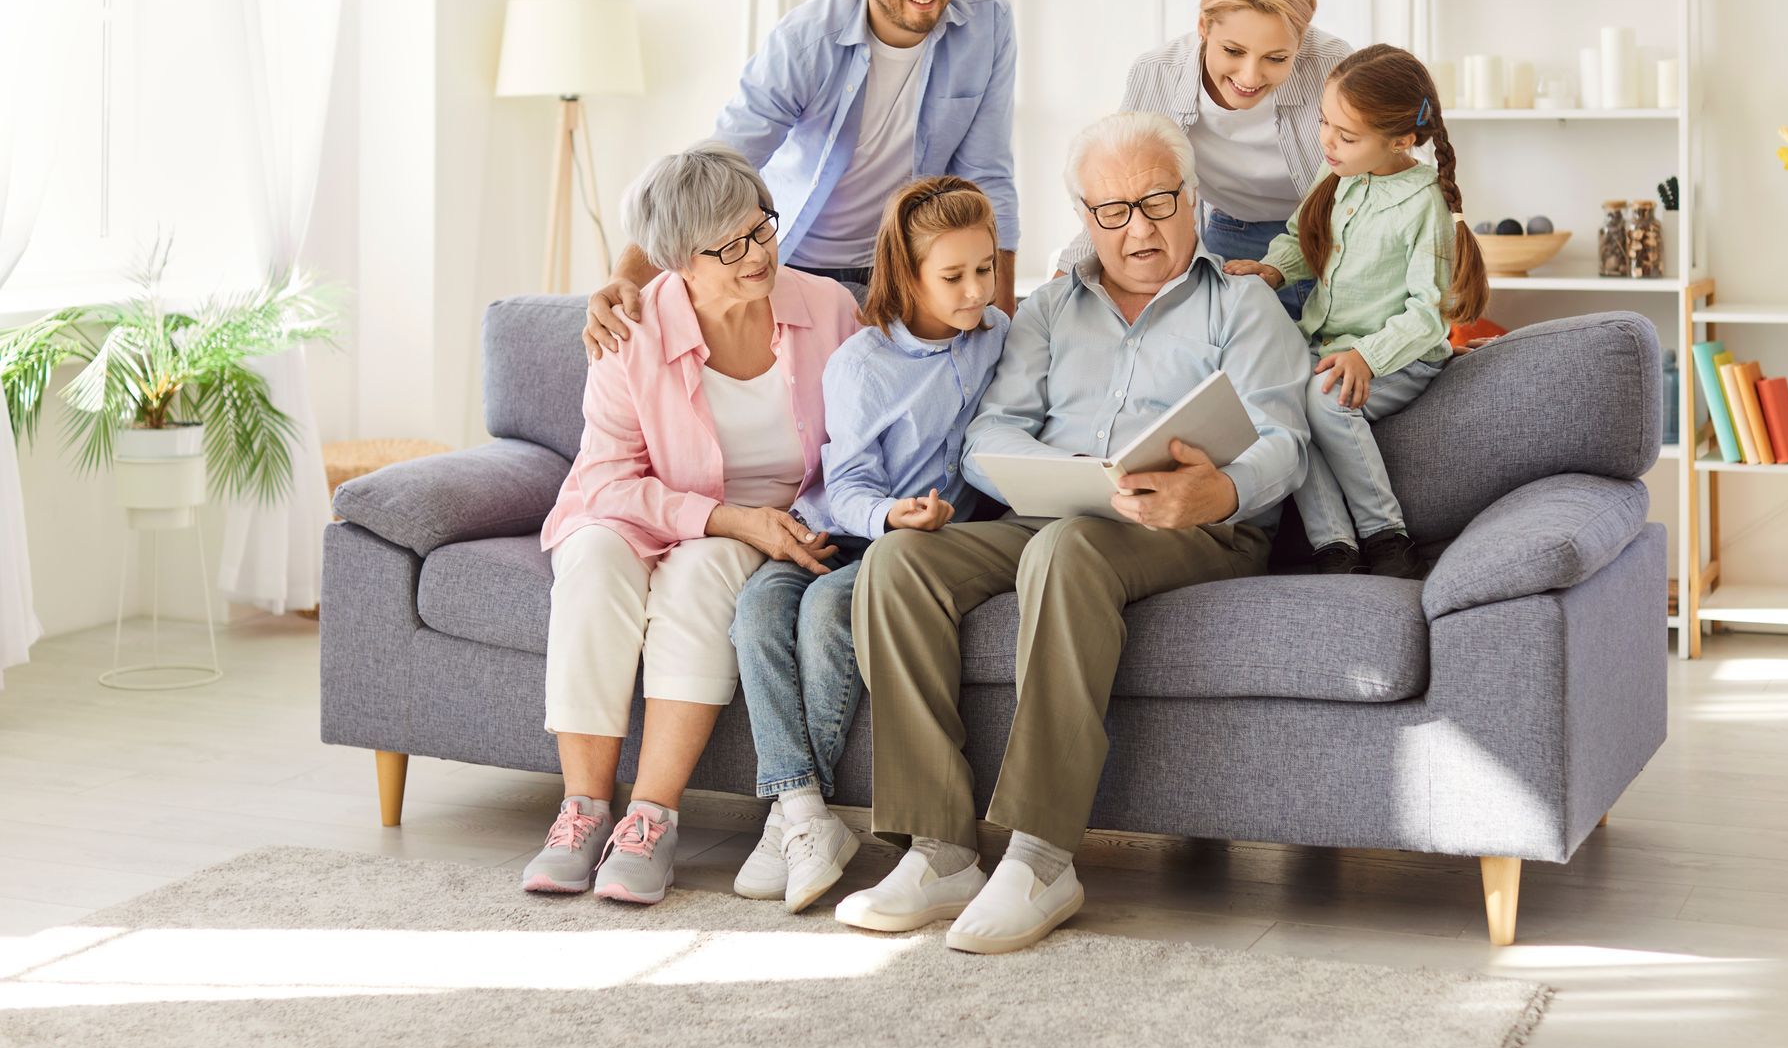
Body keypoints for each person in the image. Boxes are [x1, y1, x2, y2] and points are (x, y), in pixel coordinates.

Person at [835, 112, 1311, 955]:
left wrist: (1220, 490)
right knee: (898, 563)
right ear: (1085, 217)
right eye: (1113, 210)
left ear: (1193, 200)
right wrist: (1052, 475)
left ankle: (1043, 855)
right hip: (1057, 513)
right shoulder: (1050, 310)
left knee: (1066, 549)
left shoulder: (1241, 303)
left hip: (1196, 528)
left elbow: (1286, 442)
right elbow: (991, 433)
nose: (1140, 228)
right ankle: (940, 848)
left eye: (1159, 201)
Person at [520, 142, 859, 903]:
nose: (758, 255)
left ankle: (652, 818)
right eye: (729, 246)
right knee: (593, 561)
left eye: (763, 229)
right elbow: (607, 479)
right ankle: (580, 812)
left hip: (772, 521)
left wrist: (757, 525)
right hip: (644, 508)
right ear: (678, 262)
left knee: (704, 574)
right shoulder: (630, 333)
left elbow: (863, 441)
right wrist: (720, 516)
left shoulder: (829, 310)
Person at [583, 0, 1019, 359]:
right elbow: (719, 167)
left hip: (909, 264)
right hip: (800, 267)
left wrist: (1002, 327)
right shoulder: (805, 42)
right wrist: (626, 276)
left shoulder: (989, 22)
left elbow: (987, 176)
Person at [728, 175, 1010, 914]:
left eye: (985, 269)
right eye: (953, 277)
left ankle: (787, 822)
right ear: (907, 275)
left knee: (826, 612)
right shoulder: (861, 363)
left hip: (914, 551)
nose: (976, 291)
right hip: (850, 526)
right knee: (757, 610)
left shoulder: (1002, 340)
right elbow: (846, 481)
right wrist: (890, 516)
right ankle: (802, 813)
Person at [1226, 44, 1489, 579]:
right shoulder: (1339, 180)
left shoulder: (1424, 204)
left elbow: (1428, 315)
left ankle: (1386, 535)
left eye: (1346, 136)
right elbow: (1302, 241)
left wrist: (1367, 358)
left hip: (1398, 356)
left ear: (1401, 140)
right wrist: (1274, 270)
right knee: (1280, 401)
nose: (1327, 141)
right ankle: (1335, 546)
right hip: (1326, 347)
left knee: (1325, 403)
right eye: (1324, 122)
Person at [1054, 0, 1351, 320]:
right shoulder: (1158, 73)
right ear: (1203, 27)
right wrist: (1059, 289)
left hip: (1331, 231)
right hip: (1234, 231)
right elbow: (1118, 186)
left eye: (1276, 58)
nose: (1250, 76)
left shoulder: (1331, 64)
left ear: (1302, 39)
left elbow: (1383, 168)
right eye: (1232, 50)